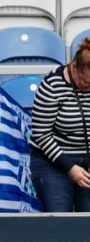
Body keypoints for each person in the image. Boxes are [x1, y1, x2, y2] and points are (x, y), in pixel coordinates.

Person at [31, 38, 90, 212]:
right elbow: (41, 134)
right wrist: (69, 167)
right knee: (59, 217)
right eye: (85, 82)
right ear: (74, 67)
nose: (88, 87)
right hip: (53, 161)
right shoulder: (52, 84)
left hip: (86, 159)